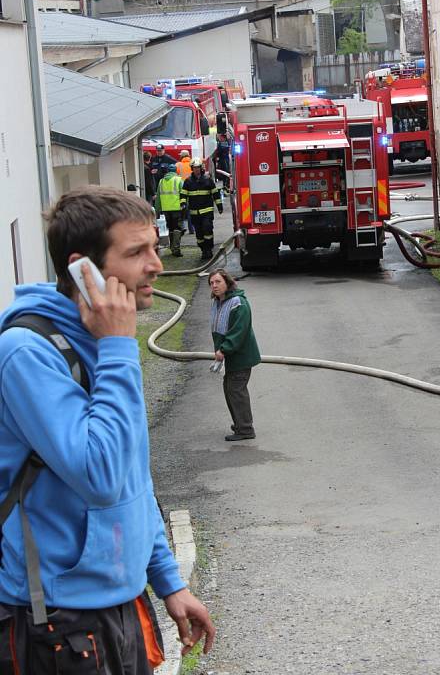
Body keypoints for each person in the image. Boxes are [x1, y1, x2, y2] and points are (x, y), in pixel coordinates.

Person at [0, 186, 215, 672]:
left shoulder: (98, 340)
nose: (156, 265)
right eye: (137, 252)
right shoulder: (26, 352)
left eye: (155, 247)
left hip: (117, 603)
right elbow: (100, 476)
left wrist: (168, 580)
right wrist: (119, 347)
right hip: (54, 620)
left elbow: (133, 476)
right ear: (84, 269)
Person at [209, 268, 260, 441]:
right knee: (230, 389)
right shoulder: (218, 302)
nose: (214, 286)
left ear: (227, 283)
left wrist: (224, 349)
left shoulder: (239, 303)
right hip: (232, 356)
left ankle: (245, 429)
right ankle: (240, 423)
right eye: (211, 283)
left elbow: (238, 331)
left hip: (241, 356)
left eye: (218, 282)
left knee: (236, 390)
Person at [182, 158, 223, 261]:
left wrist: (219, 206)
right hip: (195, 213)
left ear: (201, 168)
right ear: (192, 168)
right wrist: (182, 204)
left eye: (198, 168)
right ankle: (203, 250)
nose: (196, 170)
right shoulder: (187, 181)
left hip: (207, 211)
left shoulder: (208, 180)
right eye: (194, 168)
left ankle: (209, 249)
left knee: (207, 229)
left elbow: (215, 194)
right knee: (199, 234)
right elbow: (183, 194)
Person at [155, 164, 186, 257]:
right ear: (176, 171)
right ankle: (176, 249)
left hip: (166, 209)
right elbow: (184, 194)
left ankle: (172, 248)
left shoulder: (161, 181)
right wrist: (186, 205)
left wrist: (157, 210)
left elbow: (158, 198)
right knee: (178, 228)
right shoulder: (179, 180)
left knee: (171, 228)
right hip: (177, 208)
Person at [176, 151, 194, 233]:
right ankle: (191, 229)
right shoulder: (192, 163)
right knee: (191, 209)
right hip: (192, 189)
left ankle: (182, 227)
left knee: (183, 209)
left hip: (182, 189)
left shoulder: (178, 165)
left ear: (182, 156)